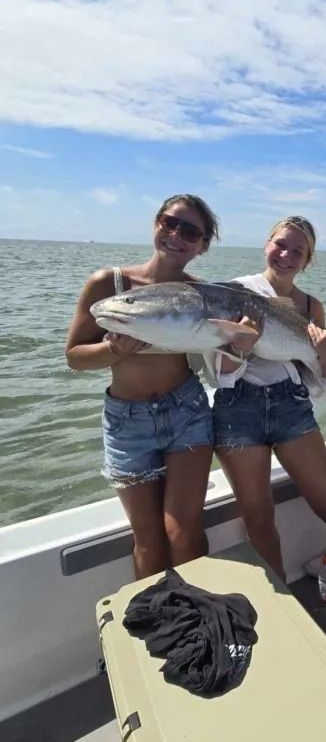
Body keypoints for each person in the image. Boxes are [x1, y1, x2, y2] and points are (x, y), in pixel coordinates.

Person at [65, 194, 220, 578]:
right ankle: (161, 625)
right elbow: (74, 357)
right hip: (126, 423)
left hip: (186, 413)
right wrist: (112, 350)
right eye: (169, 223)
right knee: (149, 544)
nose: (176, 235)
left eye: (190, 231)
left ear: (202, 246)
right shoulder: (110, 285)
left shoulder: (202, 294)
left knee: (182, 534)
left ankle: (201, 618)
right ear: (155, 224)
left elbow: (225, 354)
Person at [209, 216, 326, 582]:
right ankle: (283, 605)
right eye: (280, 244)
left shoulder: (310, 306)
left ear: (307, 261)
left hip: (291, 406)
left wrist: (324, 353)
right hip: (237, 410)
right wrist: (240, 348)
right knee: (257, 516)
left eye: (298, 251)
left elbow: (319, 378)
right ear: (266, 243)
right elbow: (216, 371)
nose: (286, 255)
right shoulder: (235, 292)